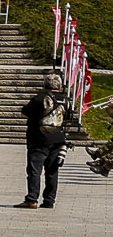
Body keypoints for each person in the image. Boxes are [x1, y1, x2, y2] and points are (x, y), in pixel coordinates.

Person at [21, 72, 73, 209]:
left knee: (34, 170)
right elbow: (68, 117)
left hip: (39, 138)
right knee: (52, 170)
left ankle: (32, 199)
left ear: (45, 85)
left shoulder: (40, 98)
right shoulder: (65, 100)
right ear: (60, 86)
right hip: (58, 139)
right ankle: (49, 200)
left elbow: (24, 111)